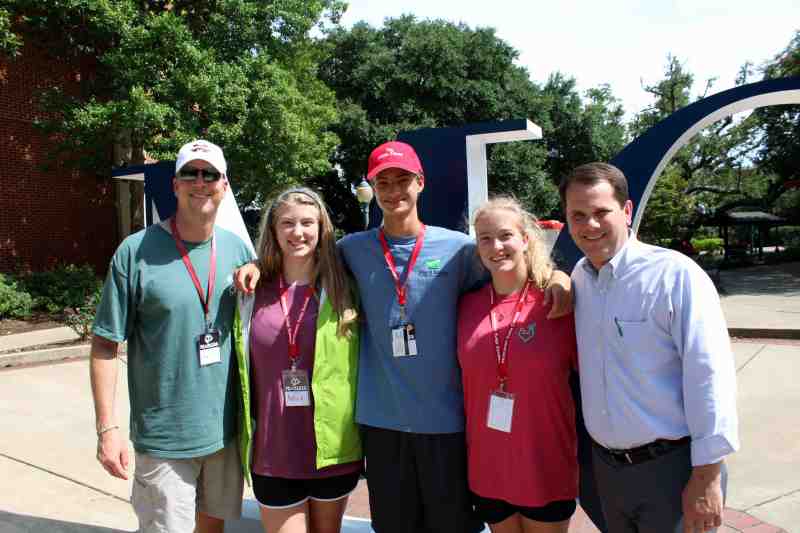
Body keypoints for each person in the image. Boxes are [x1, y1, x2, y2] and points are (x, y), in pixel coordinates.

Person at [236, 140, 572, 533]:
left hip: (446, 424)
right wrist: (258, 264)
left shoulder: (460, 249)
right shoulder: (351, 251)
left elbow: (512, 278)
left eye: (403, 179)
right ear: (373, 188)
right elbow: (301, 256)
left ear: (421, 183)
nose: (394, 190)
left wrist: (558, 277)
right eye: (383, 182)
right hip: (382, 427)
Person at [561, 162, 739, 533]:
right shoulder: (580, 277)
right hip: (607, 473)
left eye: (600, 212)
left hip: (671, 470)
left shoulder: (675, 276)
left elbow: (710, 377)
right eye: (578, 215)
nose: (589, 225)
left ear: (626, 211)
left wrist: (706, 476)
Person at [90, 140, 254, 533]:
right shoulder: (135, 252)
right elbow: (105, 345)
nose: (201, 182)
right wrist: (107, 430)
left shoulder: (236, 250)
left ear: (224, 185)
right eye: (190, 173)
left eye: (210, 174)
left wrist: (259, 269)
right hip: (164, 438)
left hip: (223, 435)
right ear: (175, 184)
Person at [232, 187, 362, 533]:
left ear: (322, 229)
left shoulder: (346, 286)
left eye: (307, 222)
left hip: (332, 453)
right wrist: (256, 264)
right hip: (272, 454)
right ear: (273, 231)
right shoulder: (250, 291)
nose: (298, 232)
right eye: (287, 223)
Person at [457, 197, 578, 533]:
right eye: (485, 238)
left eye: (505, 235)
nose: (496, 246)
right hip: (488, 469)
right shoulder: (465, 305)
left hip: (545, 466)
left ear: (525, 239)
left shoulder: (558, 302)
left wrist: (561, 278)